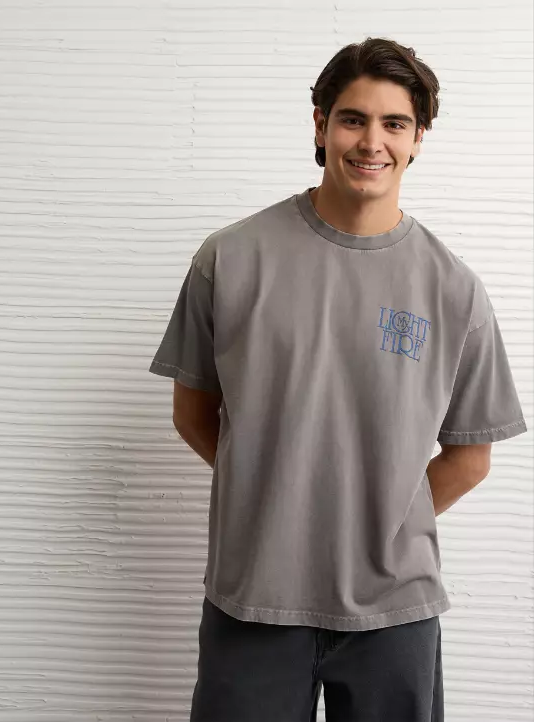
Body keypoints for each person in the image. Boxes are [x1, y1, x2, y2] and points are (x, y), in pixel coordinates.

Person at [148, 37, 527, 722]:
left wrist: (377, 519)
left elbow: (469, 459)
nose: (371, 142)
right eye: (353, 119)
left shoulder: (453, 290)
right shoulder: (230, 259)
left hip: (395, 613)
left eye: (395, 123)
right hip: (253, 600)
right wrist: (274, 494)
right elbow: (194, 415)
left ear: (418, 138)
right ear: (321, 125)